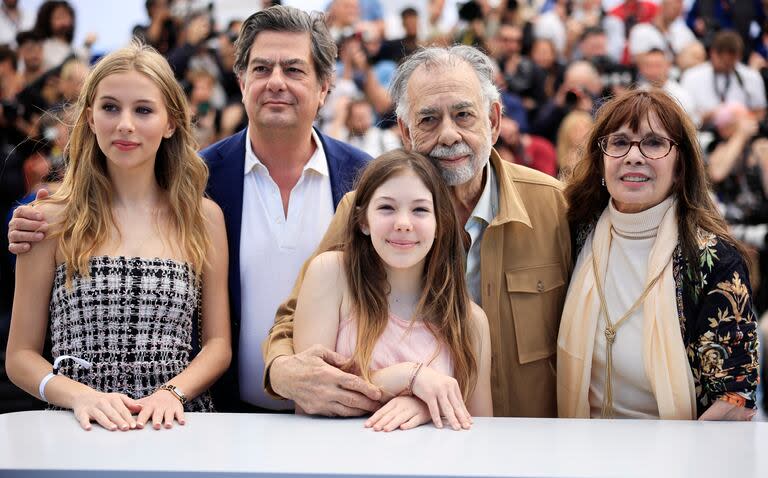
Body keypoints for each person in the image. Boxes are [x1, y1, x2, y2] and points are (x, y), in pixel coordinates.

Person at [7, 5, 373, 414]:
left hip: (337, 419)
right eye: (261, 68)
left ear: (325, 87)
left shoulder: (365, 180)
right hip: (227, 424)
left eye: (293, 69)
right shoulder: (202, 177)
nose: (275, 82)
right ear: (240, 79)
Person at [263, 45, 572, 419]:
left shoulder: (552, 206)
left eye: (463, 115)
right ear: (406, 132)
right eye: (428, 120)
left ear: (492, 121)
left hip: (527, 446)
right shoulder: (365, 210)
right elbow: (295, 317)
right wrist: (281, 370)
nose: (448, 135)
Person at [5, 42, 232, 431]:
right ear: (90, 117)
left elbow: (217, 345)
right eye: (110, 107)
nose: (125, 124)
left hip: (175, 427)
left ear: (171, 122)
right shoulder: (49, 217)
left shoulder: (203, 218)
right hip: (78, 429)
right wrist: (79, 395)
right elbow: (20, 356)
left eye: (143, 110)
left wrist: (171, 393)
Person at [558, 89, 759, 420]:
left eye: (653, 143)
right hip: (579, 454)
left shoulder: (715, 262)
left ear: (680, 166)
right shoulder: (574, 234)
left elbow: (734, 401)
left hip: (676, 461)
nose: (634, 156)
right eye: (620, 142)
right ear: (601, 161)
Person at [294, 150, 492, 431]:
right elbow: (310, 399)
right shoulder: (331, 275)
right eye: (386, 208)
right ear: (363, 221)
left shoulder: (470, 321)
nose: (403, 223)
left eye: (420, 210)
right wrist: (410, 378)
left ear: (440, 225)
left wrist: (425, 406)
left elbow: (479, 433)